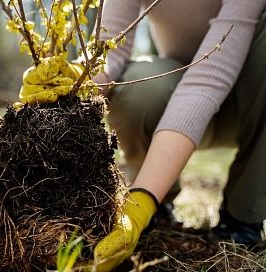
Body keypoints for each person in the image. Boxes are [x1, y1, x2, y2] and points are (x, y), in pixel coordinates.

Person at [19, 0, 266, 270]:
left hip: (252, 105)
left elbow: (209, 79)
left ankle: (243, 216)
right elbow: (110, 49)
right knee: (139, 86)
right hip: (176, 91)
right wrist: (79, 79)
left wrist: (140, 204)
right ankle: (160, 202)